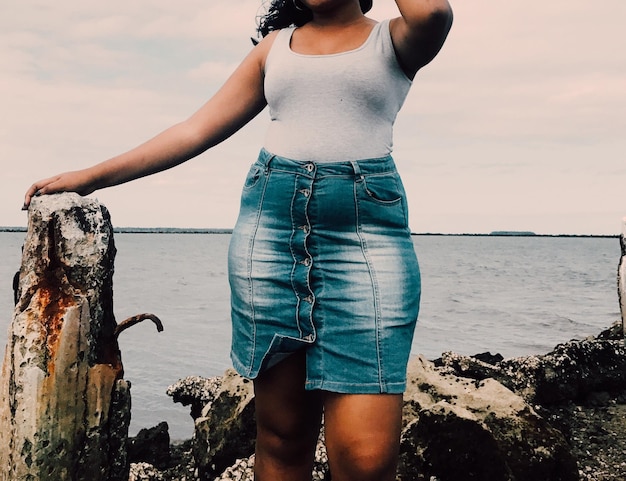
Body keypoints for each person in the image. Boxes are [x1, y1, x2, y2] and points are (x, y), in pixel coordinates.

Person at [23, 1, 453, 479]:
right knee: (282, 437)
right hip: (269, 244)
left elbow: (433, 10)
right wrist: (91, 177)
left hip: (367, 248)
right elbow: (195, 129)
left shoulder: (395, 39)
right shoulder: (276, 48)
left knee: (366, 462)